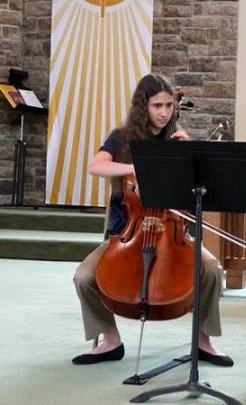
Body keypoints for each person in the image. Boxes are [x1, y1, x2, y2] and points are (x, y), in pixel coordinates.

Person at [72, 74, 233, 367]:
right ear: (142, 106)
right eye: (157, 105)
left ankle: (203, 341)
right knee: (83, 277)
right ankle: (110, 340)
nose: (164, 112)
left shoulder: (177, 139)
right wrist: (135, 167)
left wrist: (189, 155)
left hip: (171, 230)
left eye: (169, 105)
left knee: (211, 270)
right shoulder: (121, 138)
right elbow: (96, 166)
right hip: (126, 232)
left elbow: (197, 190)